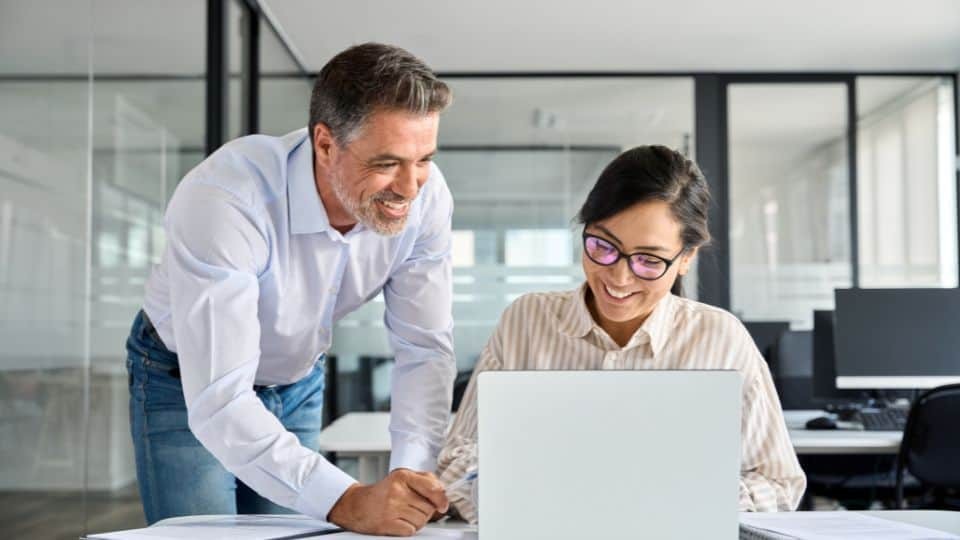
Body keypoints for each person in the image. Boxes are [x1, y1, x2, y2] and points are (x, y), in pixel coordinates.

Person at [126, 43, 455, 536]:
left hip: (297, 379)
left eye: (423, 159)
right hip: (183, 378)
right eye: (387, 163)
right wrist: (347, 500)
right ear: (326, 145)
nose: (410, 187)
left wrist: (409, 477)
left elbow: (424, 348)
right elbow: (220, 400)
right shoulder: (227, 198)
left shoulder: (426, 200)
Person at [436, 145, 807, 523]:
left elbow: (778, 483)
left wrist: (691, 498)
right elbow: (456, 461)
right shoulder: (528, 321)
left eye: (648, 260)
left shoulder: (721, 338)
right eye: (603, 246)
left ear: (685, 259)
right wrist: (516, 491)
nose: (618, 277)